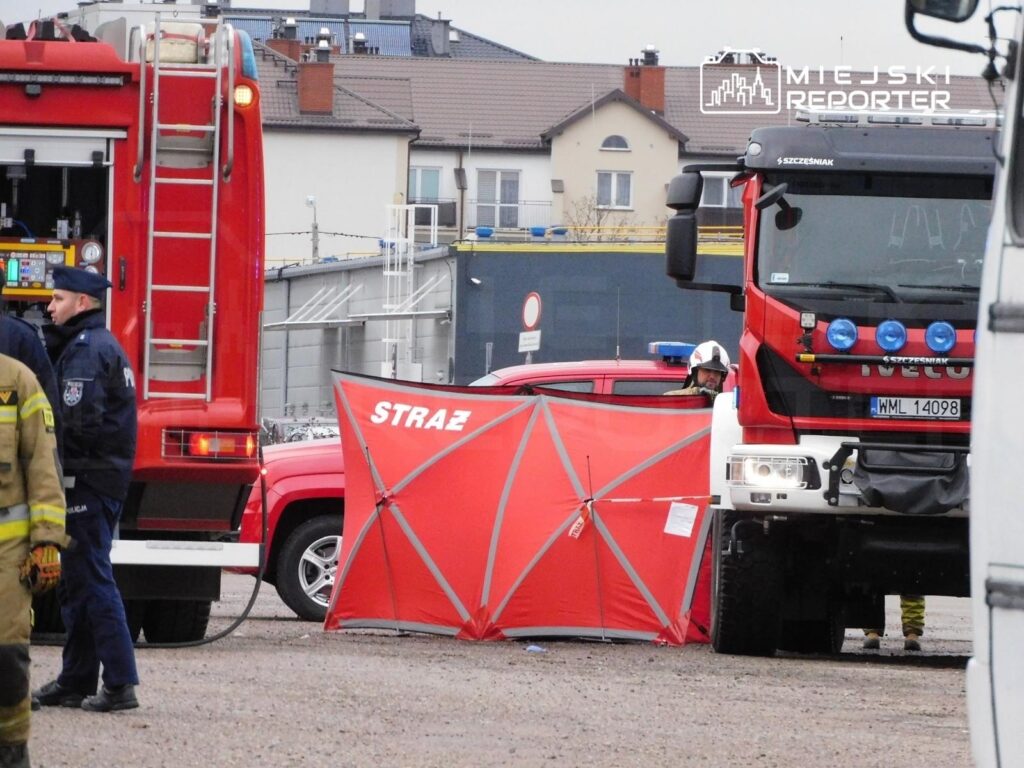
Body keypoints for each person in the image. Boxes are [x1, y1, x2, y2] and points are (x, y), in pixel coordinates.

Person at [32, 266, 140, 713]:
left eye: (58, 299)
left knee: (92, 578)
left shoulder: (87, 350)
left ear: (83, 302)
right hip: (100, 479)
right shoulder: (94, 345)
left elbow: (76, 425)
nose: (50, 307)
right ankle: (76, 679)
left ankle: (119, 684)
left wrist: (43, 464)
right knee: (77, 582)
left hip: (88, 481)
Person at [0, 351, 67, 768]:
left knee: (6, 654)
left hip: (7, 548)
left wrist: (47, 541)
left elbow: (44, 465)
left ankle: (11, 747)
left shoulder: (17, 380)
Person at [665, 340, 731, 396]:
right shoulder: (672, 400)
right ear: (695, 372)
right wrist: (695, 392)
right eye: (707, 370)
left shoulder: (730, 405)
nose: (712, 376)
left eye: (717, 371)